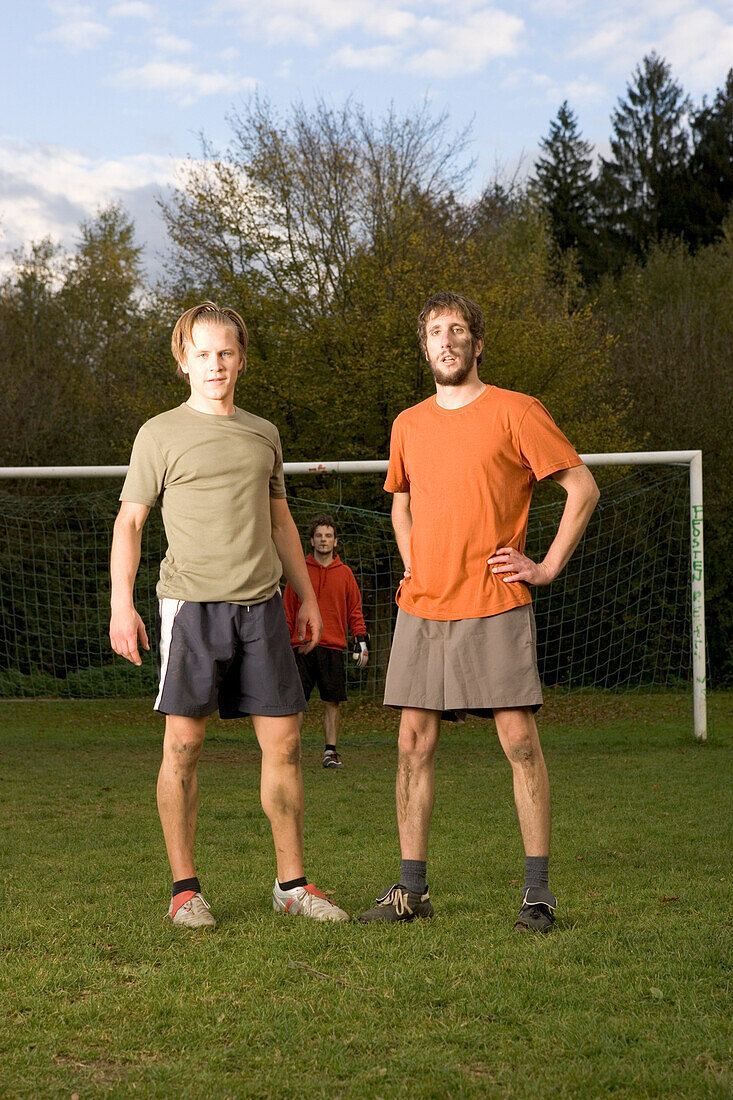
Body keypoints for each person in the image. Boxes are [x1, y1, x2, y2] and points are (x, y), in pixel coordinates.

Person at [358, 291, 600, 932]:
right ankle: (411, 891)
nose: (446, 340)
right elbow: (400, 503)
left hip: (495, 601)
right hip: (424, 606)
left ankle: (538, 897)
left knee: (520, 742)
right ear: (425, 347)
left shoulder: (517, 411)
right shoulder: (408, 423)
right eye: (435, 331)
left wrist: (545, 567)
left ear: (477, 343)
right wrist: (412, 561)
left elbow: (583, 488)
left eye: (457, 329)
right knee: (413, 743)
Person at [109, 301, 349, 929]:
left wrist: (309, 597)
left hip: (264, 606)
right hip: (191, 608)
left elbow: (281, 521)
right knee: (184, 745)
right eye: (202, 353)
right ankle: (185, 890)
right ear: (182, 360)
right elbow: (130, 522)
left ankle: (292, 884)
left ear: (241, 359)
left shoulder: (263, 432)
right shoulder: (157, 434)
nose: (215, 364)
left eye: (227, 353)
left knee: (287, 743)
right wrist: (120, 603)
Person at [283, 514, 369, 769]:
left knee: (332, 701)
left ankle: (330, 752)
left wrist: (361, 638)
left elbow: (355, 609)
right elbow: (288, 609)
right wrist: (287, 644)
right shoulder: (298, 572)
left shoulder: (345, 574)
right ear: (311, 540)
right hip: (302, 646)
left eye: (328, 536)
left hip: (332, 646)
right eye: (319, 535)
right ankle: (292, 752)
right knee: (297, 702)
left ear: (335, 541)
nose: (323, 540)